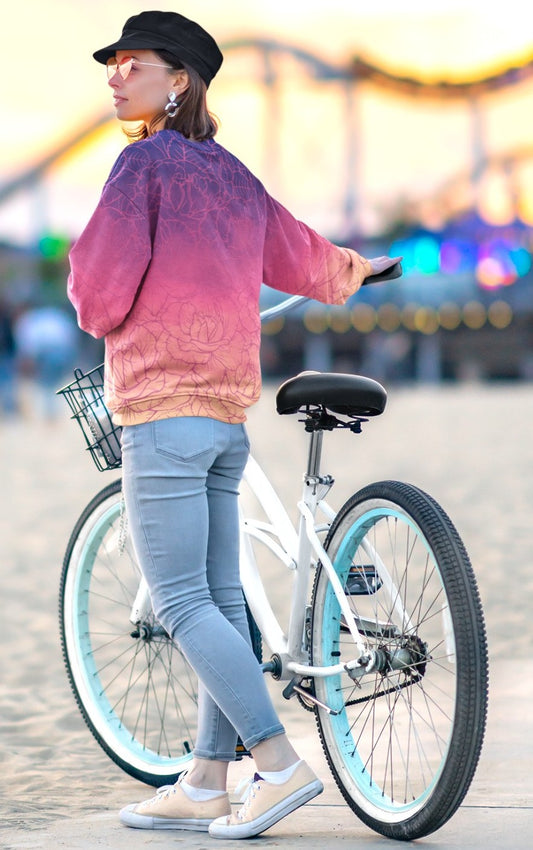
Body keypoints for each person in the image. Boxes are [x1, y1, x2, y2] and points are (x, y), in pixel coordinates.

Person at [68, 10, 400, 840]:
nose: (114, 75)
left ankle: (277, 764)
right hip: (224, 418)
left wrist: (90, 291)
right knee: (218, 597)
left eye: (131, 63)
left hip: (162, 411)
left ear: (178, 79)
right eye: (111, 64)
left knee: (179, 598)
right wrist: (361, 268)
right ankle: (206, 781)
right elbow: (308, 257)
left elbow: (97, 297)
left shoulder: (139, 168)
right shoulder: (232, 177)